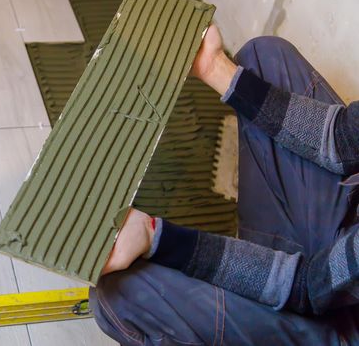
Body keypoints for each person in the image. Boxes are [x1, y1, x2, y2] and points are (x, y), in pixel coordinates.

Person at [89, 24, 359, 345]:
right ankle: (260, 268)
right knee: (265, 58)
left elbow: (305, 287)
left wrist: (156, 236)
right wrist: (216, 68)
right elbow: (344, 140)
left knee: (119, 297)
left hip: (334, 316)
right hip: (334, 266)